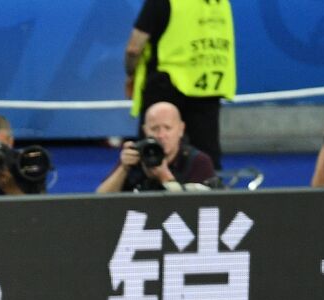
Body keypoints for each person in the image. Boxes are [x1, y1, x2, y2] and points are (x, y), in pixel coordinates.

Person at [124, 0, 234, 168]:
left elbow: (134, 48)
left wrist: (130, 71)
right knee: (206, 160)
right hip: (208, 84)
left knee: (153, 154)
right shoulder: (221, 3)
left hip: (166, 84)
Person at [96, 100, 215, 193]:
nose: (161, 135)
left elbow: (195, 209)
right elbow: (100, 202)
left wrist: (165, 177)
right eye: (154, 129)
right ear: (145, 130)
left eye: (167, 128)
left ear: (181, 129)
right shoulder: (138, 155)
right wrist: (123, 168)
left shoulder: (197, 161)